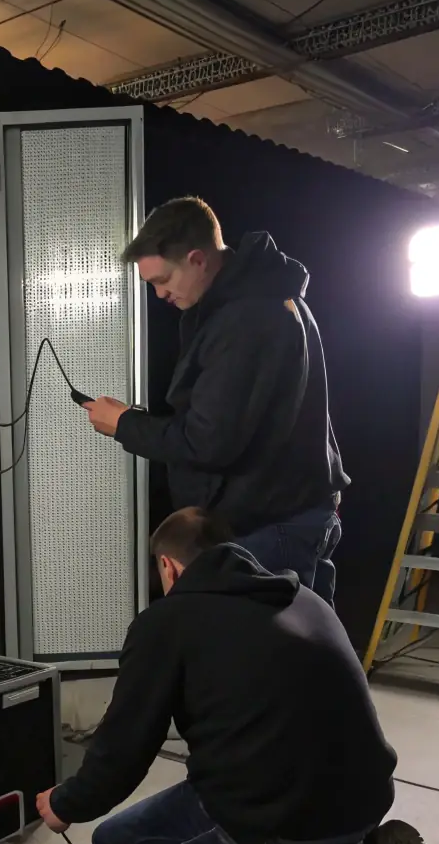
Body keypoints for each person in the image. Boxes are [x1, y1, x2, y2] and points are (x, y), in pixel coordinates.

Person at [35, 507, 439, 844]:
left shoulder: (167, 622)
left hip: (277, 821)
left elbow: (122, 753)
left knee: (119, 842)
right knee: (272, 789)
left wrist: (65, 804)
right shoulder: (305, 597)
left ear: (168, 566)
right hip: (367, 800)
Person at [82, 197, 348, 604]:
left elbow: (208, 441)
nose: (159, 294)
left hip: (272, 526)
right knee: (306, 637)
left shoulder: (246, 319)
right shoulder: (263, 297)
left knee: (268, 644)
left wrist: (124, 425)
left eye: (162, 279)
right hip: (291, 516)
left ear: (197, 259)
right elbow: (226, 416)